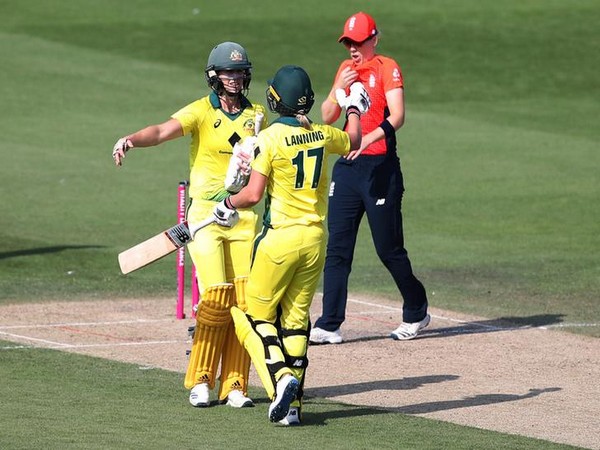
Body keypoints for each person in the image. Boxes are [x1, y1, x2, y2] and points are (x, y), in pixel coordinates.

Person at [111, 42, 268, 408]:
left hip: (242, 216)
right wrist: (131, 140)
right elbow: (163, 131)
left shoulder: (257, 114)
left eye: (240, 71)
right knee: (215, 298)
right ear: (214, 76)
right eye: (228, 72)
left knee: (243, 304)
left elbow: (268, 156)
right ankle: (200, 379)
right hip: (204, 219)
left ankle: (236, 385)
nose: (235, 78)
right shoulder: (201, 111)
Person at [211, 65, 368, 425]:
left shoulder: (269, 139)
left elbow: (250, 195)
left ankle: (282, 379)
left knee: (254, 316)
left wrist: (227, 203)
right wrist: (355, 108)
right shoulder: (321, 134)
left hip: (280, 238)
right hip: (315, 240)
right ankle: (292, 409)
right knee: (296, 323)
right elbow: (354, 139)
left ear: (274, 99)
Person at [310, 11, 431, 345]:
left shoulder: (386, 67)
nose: (353, 48)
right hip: (347, 169)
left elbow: (399, 116)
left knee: (388, 250)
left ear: (373, 40)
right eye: (348, 42)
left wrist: (366, 140)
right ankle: (329, 323)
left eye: (359, 42)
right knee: (337, 248)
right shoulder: (345, 70)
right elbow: (327, 115)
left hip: (380, 170)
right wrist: (338, 87)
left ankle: (417, 310)